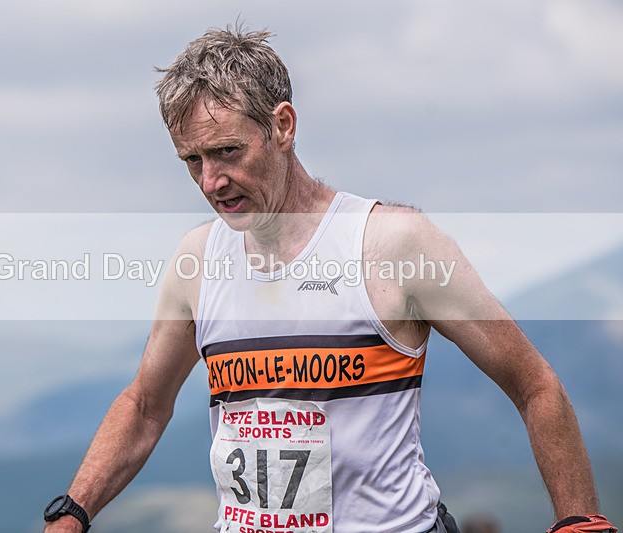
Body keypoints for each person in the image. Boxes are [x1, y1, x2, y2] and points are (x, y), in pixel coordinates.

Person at [42, 25, 617, 533]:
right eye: (192, 161)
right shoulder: (196, 259)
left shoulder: (392, 243)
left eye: (227, 151)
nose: (211, 181)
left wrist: (579, 520)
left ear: (283, 125)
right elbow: (145, 405)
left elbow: (535, 385)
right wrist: (72, 512)